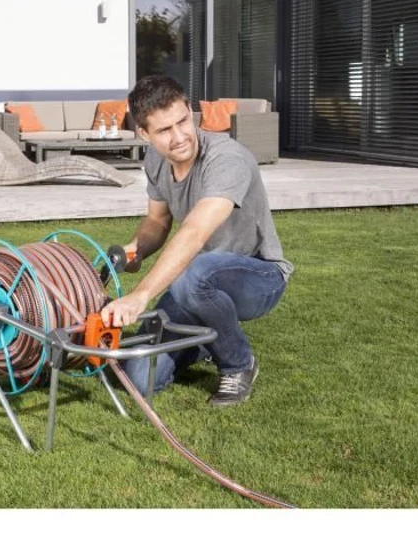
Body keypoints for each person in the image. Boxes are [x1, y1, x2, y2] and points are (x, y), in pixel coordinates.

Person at [101, 75, 293, 406]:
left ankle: (237, 364)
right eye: (164, 130)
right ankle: (205, 339)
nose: (178, 137)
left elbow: (194, 232)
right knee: (138, 377)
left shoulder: (226, 159)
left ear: (190, 111)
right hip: (193, 282)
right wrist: (135, 250)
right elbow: (157, 221)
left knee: (196, 271)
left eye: (182, 122)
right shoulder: (156, 161)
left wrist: (141, 295)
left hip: (259, 277)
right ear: (144, 134)